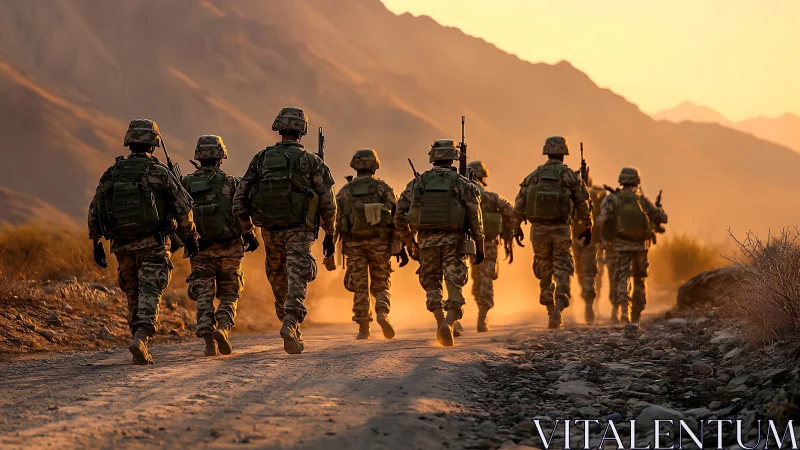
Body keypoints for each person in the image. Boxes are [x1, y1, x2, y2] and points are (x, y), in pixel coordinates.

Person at [88, 119, 199, 365]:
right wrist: (190, 235)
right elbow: (183, 207)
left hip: (122, 244)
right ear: (154, 144)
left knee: (133, 292)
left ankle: (137, 339)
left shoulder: (113, 172)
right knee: (150, 289)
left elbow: (95, 208)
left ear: (130, 141)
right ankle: (141, 337)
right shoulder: (160, 172)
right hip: (153, 243)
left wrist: (96, 243)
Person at [233, 107, 336, 354]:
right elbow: (328, 201)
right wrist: (330, 234)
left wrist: (247, 230)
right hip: (299, 228)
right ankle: (291, 321)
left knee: (277, 273)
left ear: (279, 128)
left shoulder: (261, 158)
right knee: (298, 273)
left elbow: (239, 198)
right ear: (302, 131)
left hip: (270, 228)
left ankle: (287, 322)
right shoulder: (311, 160)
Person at [395, 139, 484, 346]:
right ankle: (451, 321)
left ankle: (439, 319)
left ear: (433, 157)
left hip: (426, 242)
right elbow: (474, 216)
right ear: (453, 158)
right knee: (454, 281)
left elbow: (399, 215)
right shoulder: (462, 183)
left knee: (431, 282)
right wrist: (479, 244)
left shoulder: (418, 182)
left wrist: (410, 242)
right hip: (454, 241)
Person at [182, 135, 259, 356]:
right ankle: (224, 328)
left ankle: (208, 340)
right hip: (229, 248)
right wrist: (249, 234)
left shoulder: (185, 183)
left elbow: (179, 212)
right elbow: (242, 210)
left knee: (204, 293)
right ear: (221, 156)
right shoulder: (231, 182)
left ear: (199, 155)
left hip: (199, 249)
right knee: (231, 292)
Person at [512, 136, 592, 329]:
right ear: (564, 154)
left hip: (538, 230)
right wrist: (587, 225)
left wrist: (516, 226)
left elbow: (520, 201)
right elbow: (582, 202)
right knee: (563, 266)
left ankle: (549, 304)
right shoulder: (570, 176)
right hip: (561, 229)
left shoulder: (534, 175)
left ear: (546, 152)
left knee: (544, 266)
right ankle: (560, 302)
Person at [333, 149, 410, 339]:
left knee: (360, 286)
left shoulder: (346, 190)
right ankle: (382, 312)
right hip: (380, 244)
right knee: (382, 283)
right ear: (375, 165)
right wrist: (400, 246)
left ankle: (363, 328)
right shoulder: (383, 189)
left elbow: (337, 220)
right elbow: (396, 217)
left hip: (354, 245)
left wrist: (332, 248)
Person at [596, 167, 667, 323]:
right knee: (640, 278)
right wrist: (658, 208)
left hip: (621, 244)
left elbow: (601, 220)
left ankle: (623, 309)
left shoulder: (613, 198)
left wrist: (605, 238)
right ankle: (636, 313)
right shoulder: (640, 199)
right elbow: (662, 218)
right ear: (637, 181)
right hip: (641, 245)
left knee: (622, 276)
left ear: (621, 180)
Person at [467, 160, 515, 332]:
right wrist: (508, 236)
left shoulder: (462, 195)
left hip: (468, 244)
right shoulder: (491, 197)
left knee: (476, 278)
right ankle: (482, 315)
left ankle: (468, 313)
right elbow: (509, 210)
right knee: (486, 278)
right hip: (488, 243)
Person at [570, 173, 607, 323]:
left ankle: (588, 302)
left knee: (580, 272)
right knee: (590, 273)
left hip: (575, 239)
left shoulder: (570, 195)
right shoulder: (598, 194)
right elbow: (603, 219)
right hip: (591, 241)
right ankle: (590, 305)